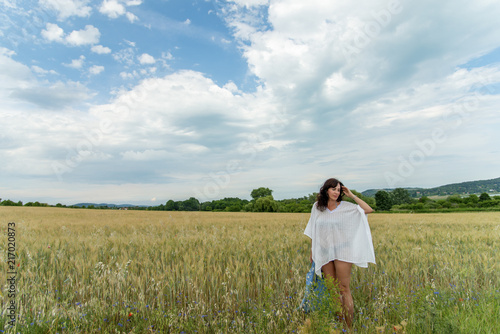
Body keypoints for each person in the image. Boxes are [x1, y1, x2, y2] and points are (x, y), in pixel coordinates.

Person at [304, 178, 376, 329]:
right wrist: (313, 251)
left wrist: (352, 195)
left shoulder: (346, 207)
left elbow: (368, 209)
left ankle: (348, 327)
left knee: (344, 288)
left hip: (343, 251)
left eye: (339, 190)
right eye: (333, 189)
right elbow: (313, 230)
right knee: (332, 289)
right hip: (324, 252)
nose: (336, 192)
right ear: (326, 190)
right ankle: (339, 324)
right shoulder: (317, 207)